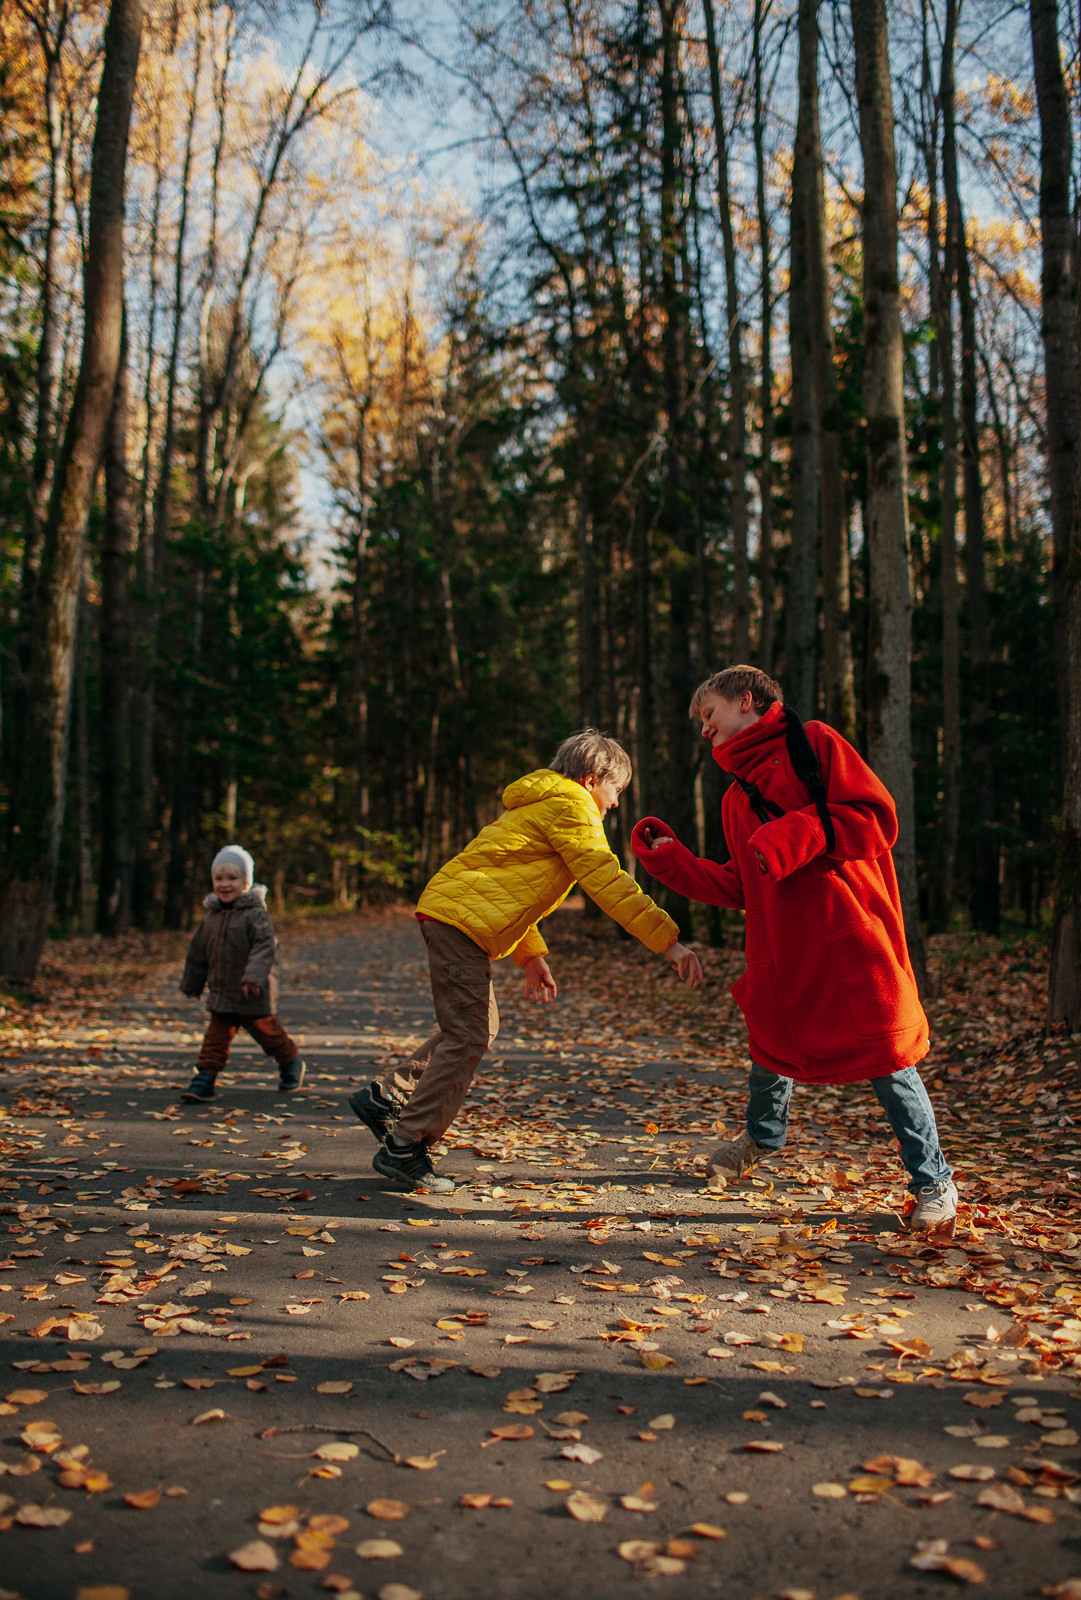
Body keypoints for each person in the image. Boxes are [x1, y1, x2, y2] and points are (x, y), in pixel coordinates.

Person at [631, 665, 957, 1232]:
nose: (704, 729)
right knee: (771, 1045)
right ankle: (761, 1139)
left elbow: (874, 820)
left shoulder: (815, 743)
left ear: (746, 699)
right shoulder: (735, 798)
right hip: (782, 946)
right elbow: (743, 883)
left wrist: (791, 834)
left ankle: (934, 1182)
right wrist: (672, 861)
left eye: (709, 714)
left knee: (889, 1055)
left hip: (849, 931)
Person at [349, 730, 703, 1193]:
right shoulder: (574, 808)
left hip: (456, 917)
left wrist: (531, 954)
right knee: (469, 1032)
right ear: (592, 779)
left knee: (477, 1026)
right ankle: (405, 1145)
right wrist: (668, 942)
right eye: (615, 790)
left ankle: (385, 1098)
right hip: (459, 922)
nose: (615, 803)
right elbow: (608, 881)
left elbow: (511, 891)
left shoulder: (542, 804)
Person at [178, 845, 305, 1102]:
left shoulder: (256, 915)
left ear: (246, 883)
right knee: (215, 1039)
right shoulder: (210, 918)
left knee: (270, 1037)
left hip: (252, 992)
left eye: (232, 878)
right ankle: (204, 1079)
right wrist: (192, 983)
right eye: (219, 878)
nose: (225, 884)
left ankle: (290, 1061)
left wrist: (253, 978)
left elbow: (264, 948)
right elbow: (198, 953)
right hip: (223, 993)